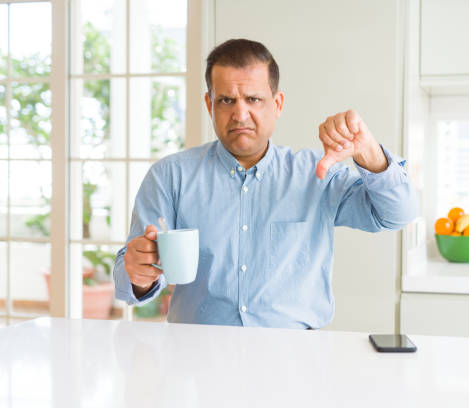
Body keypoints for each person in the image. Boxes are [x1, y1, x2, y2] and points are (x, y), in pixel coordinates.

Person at [113, 38, 418, 329]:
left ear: (277, 103)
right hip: (196, 355)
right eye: (226, 100)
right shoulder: (170, 176)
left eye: (254, 99)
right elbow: (127, 280)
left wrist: (370, 153)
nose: (239, 113)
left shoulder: (317, 175)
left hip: (296, 357)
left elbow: (396, 215)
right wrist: (140, 273)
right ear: (209, 104)